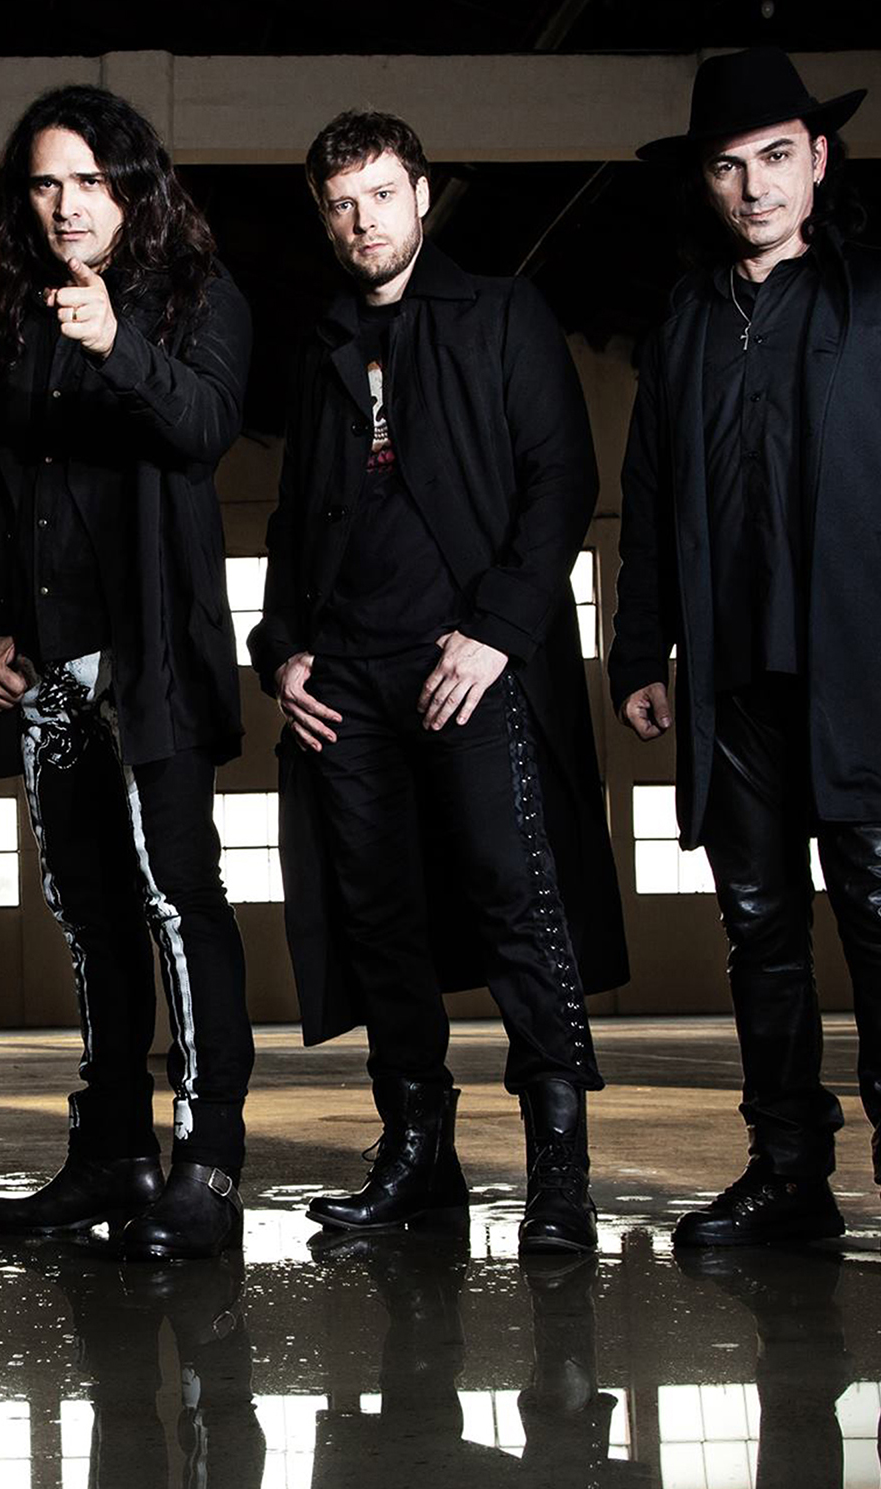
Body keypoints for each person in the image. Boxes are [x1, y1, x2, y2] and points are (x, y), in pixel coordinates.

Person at [611, 47, 881, 1276]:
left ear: (818, 158)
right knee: (758, 933)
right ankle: (789, 1174)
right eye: (728, 167)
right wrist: (638, 647)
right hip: (731, 682)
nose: (754, 187)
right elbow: (645, 499)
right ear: (703, 181)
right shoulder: (684, 320)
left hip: (869, 665)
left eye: (776, 157)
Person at [249, 110, 628, 1256]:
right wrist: (280, 649)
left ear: (420, 194)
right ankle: (418, 1160)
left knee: (517, 899)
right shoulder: (320, 342)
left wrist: (496, 632)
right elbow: (291, 518)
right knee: (376, 919)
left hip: (467, 659)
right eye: (339, 204)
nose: (360, 220)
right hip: (345, 679)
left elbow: (559, 478)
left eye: (379, 194)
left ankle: (558, 1173)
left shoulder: (500, 314)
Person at [0, 85, 255, 1260]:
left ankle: (207, 1160)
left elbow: (204, 426)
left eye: (87, 179)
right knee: (87, 910)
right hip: (49, 668)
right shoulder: (20, 318)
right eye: (43, 182)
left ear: (133, 184)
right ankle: (112, 1148)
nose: (65, 203)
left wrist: (117, 346)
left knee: (177, 897)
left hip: (149, 662)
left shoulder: (197, 296)